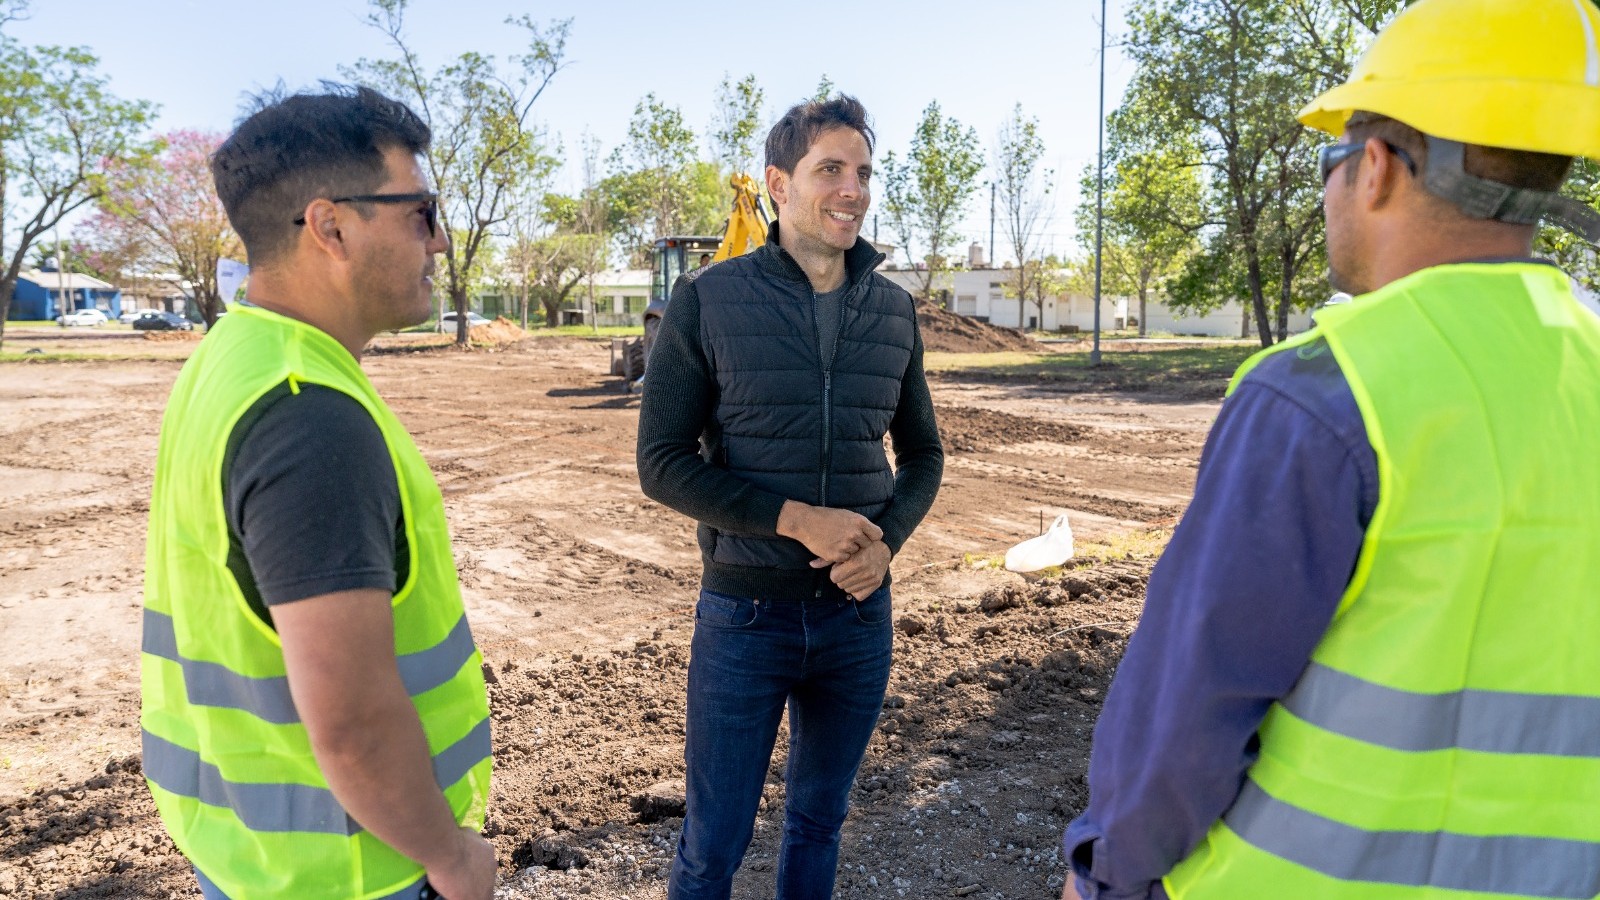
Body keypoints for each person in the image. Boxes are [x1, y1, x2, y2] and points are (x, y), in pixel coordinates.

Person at [1061, 0, 1600, 897]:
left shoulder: (1321, 394)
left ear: (1378, 168)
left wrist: (1104, 871)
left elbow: (1184, 713)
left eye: (1332, 160)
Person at [140, 86, 495, 900]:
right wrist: (450, 855)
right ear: (331, 226)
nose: (439, 241)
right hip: (354, 872)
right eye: (421, 212)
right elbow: (354, 721)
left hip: (251, 856)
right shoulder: (309, 417)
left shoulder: (234, 355)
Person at [637, 94, 944, 899]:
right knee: (716, 837)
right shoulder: (708, 299)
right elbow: (661, 463)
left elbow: (923, 454)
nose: (853, 190)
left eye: (864, 173)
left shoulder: (894, 310)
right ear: (778, 182)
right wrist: (795, 519)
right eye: (830, 170)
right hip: (745, 617)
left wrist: (886, 545)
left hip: (856, 618)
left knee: (818, 822)